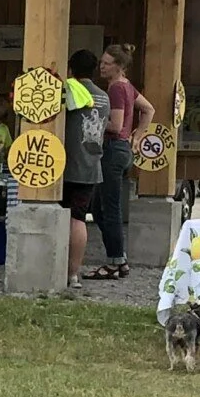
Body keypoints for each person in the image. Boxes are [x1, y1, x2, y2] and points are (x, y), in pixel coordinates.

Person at [88, 42, 153, 277]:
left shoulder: (116, 89)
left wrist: (91, 121)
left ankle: (115, 261)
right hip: (123, 149)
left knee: (109, 208)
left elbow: (115, 125)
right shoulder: (128, 86)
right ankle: (119, 258)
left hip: (113, 149)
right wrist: (138, 134)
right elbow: (148, 109)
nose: (101, 67)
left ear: (118, 66)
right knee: (98, 206)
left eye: (106, 63)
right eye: (101, 62)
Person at [60, 50, 110, 288]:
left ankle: (56, 269)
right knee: (79, 218)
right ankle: (74, 274)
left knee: (60, 216)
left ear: (70, 69)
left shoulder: (69, 91)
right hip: (91, 165)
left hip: (67, 164)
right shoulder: (104, 97)